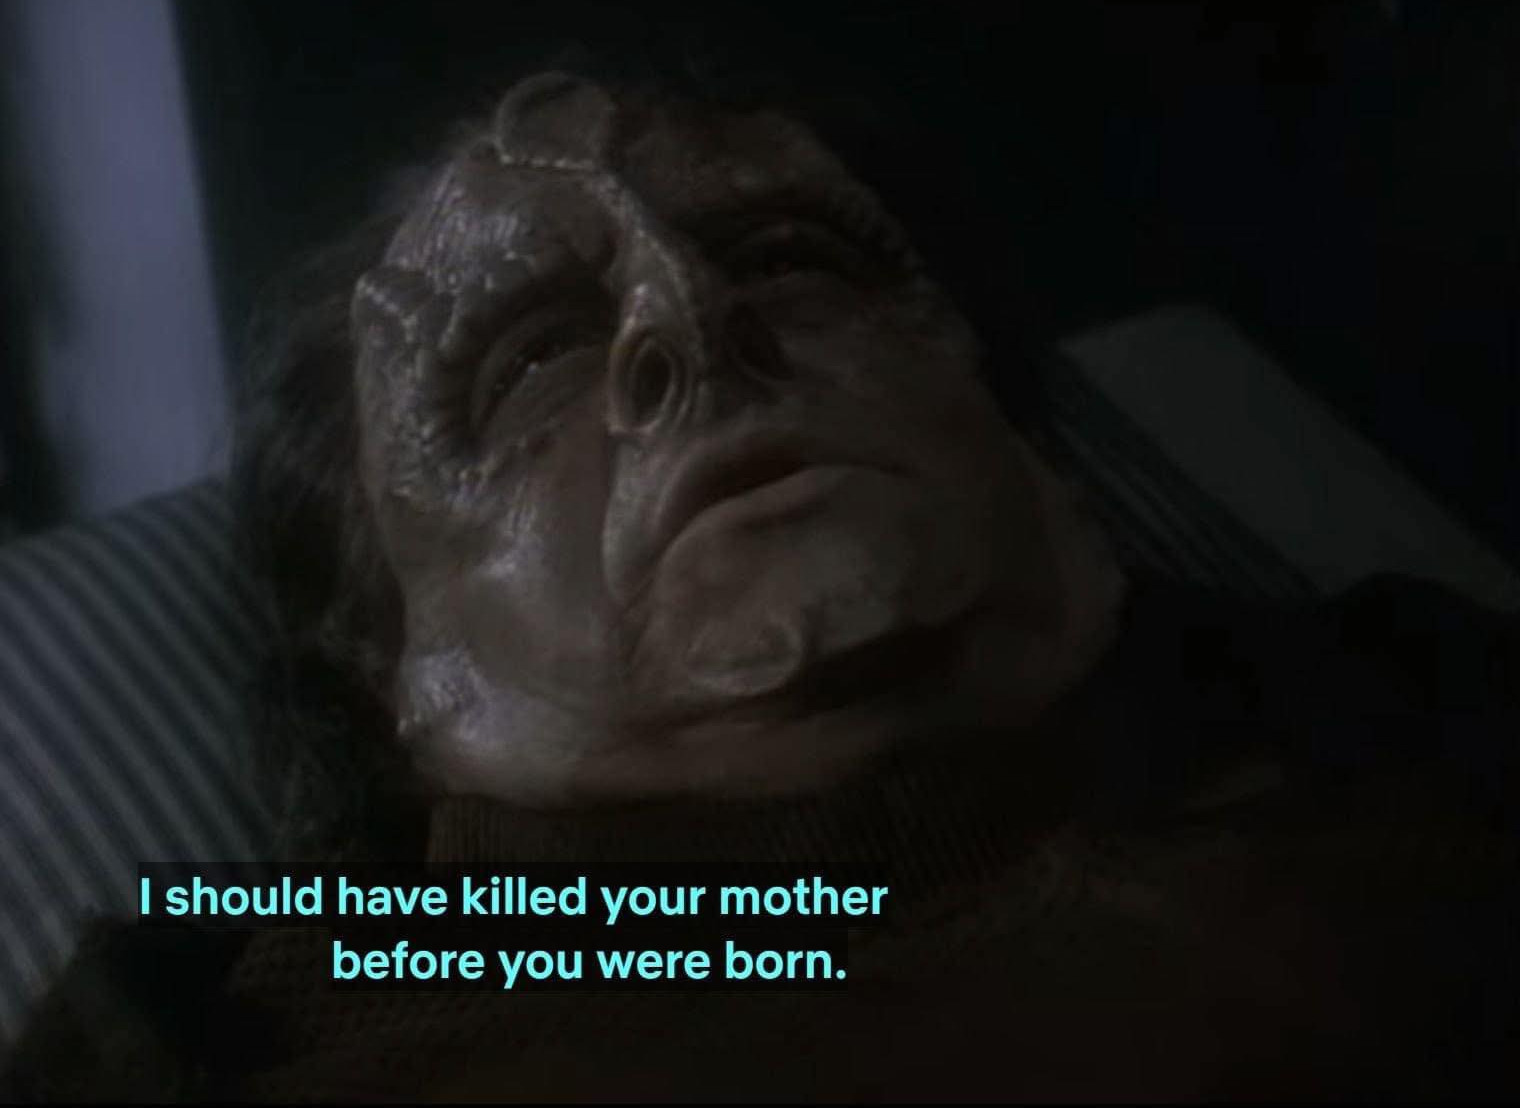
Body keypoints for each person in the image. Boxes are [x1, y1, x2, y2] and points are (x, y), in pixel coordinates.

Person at [5, 71, 1517, 1102]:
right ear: (379, 640)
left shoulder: (1407, 701)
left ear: (1007, 424)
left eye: (794, 258)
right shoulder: (226, 1017)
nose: (692, 323)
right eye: (528, 357)